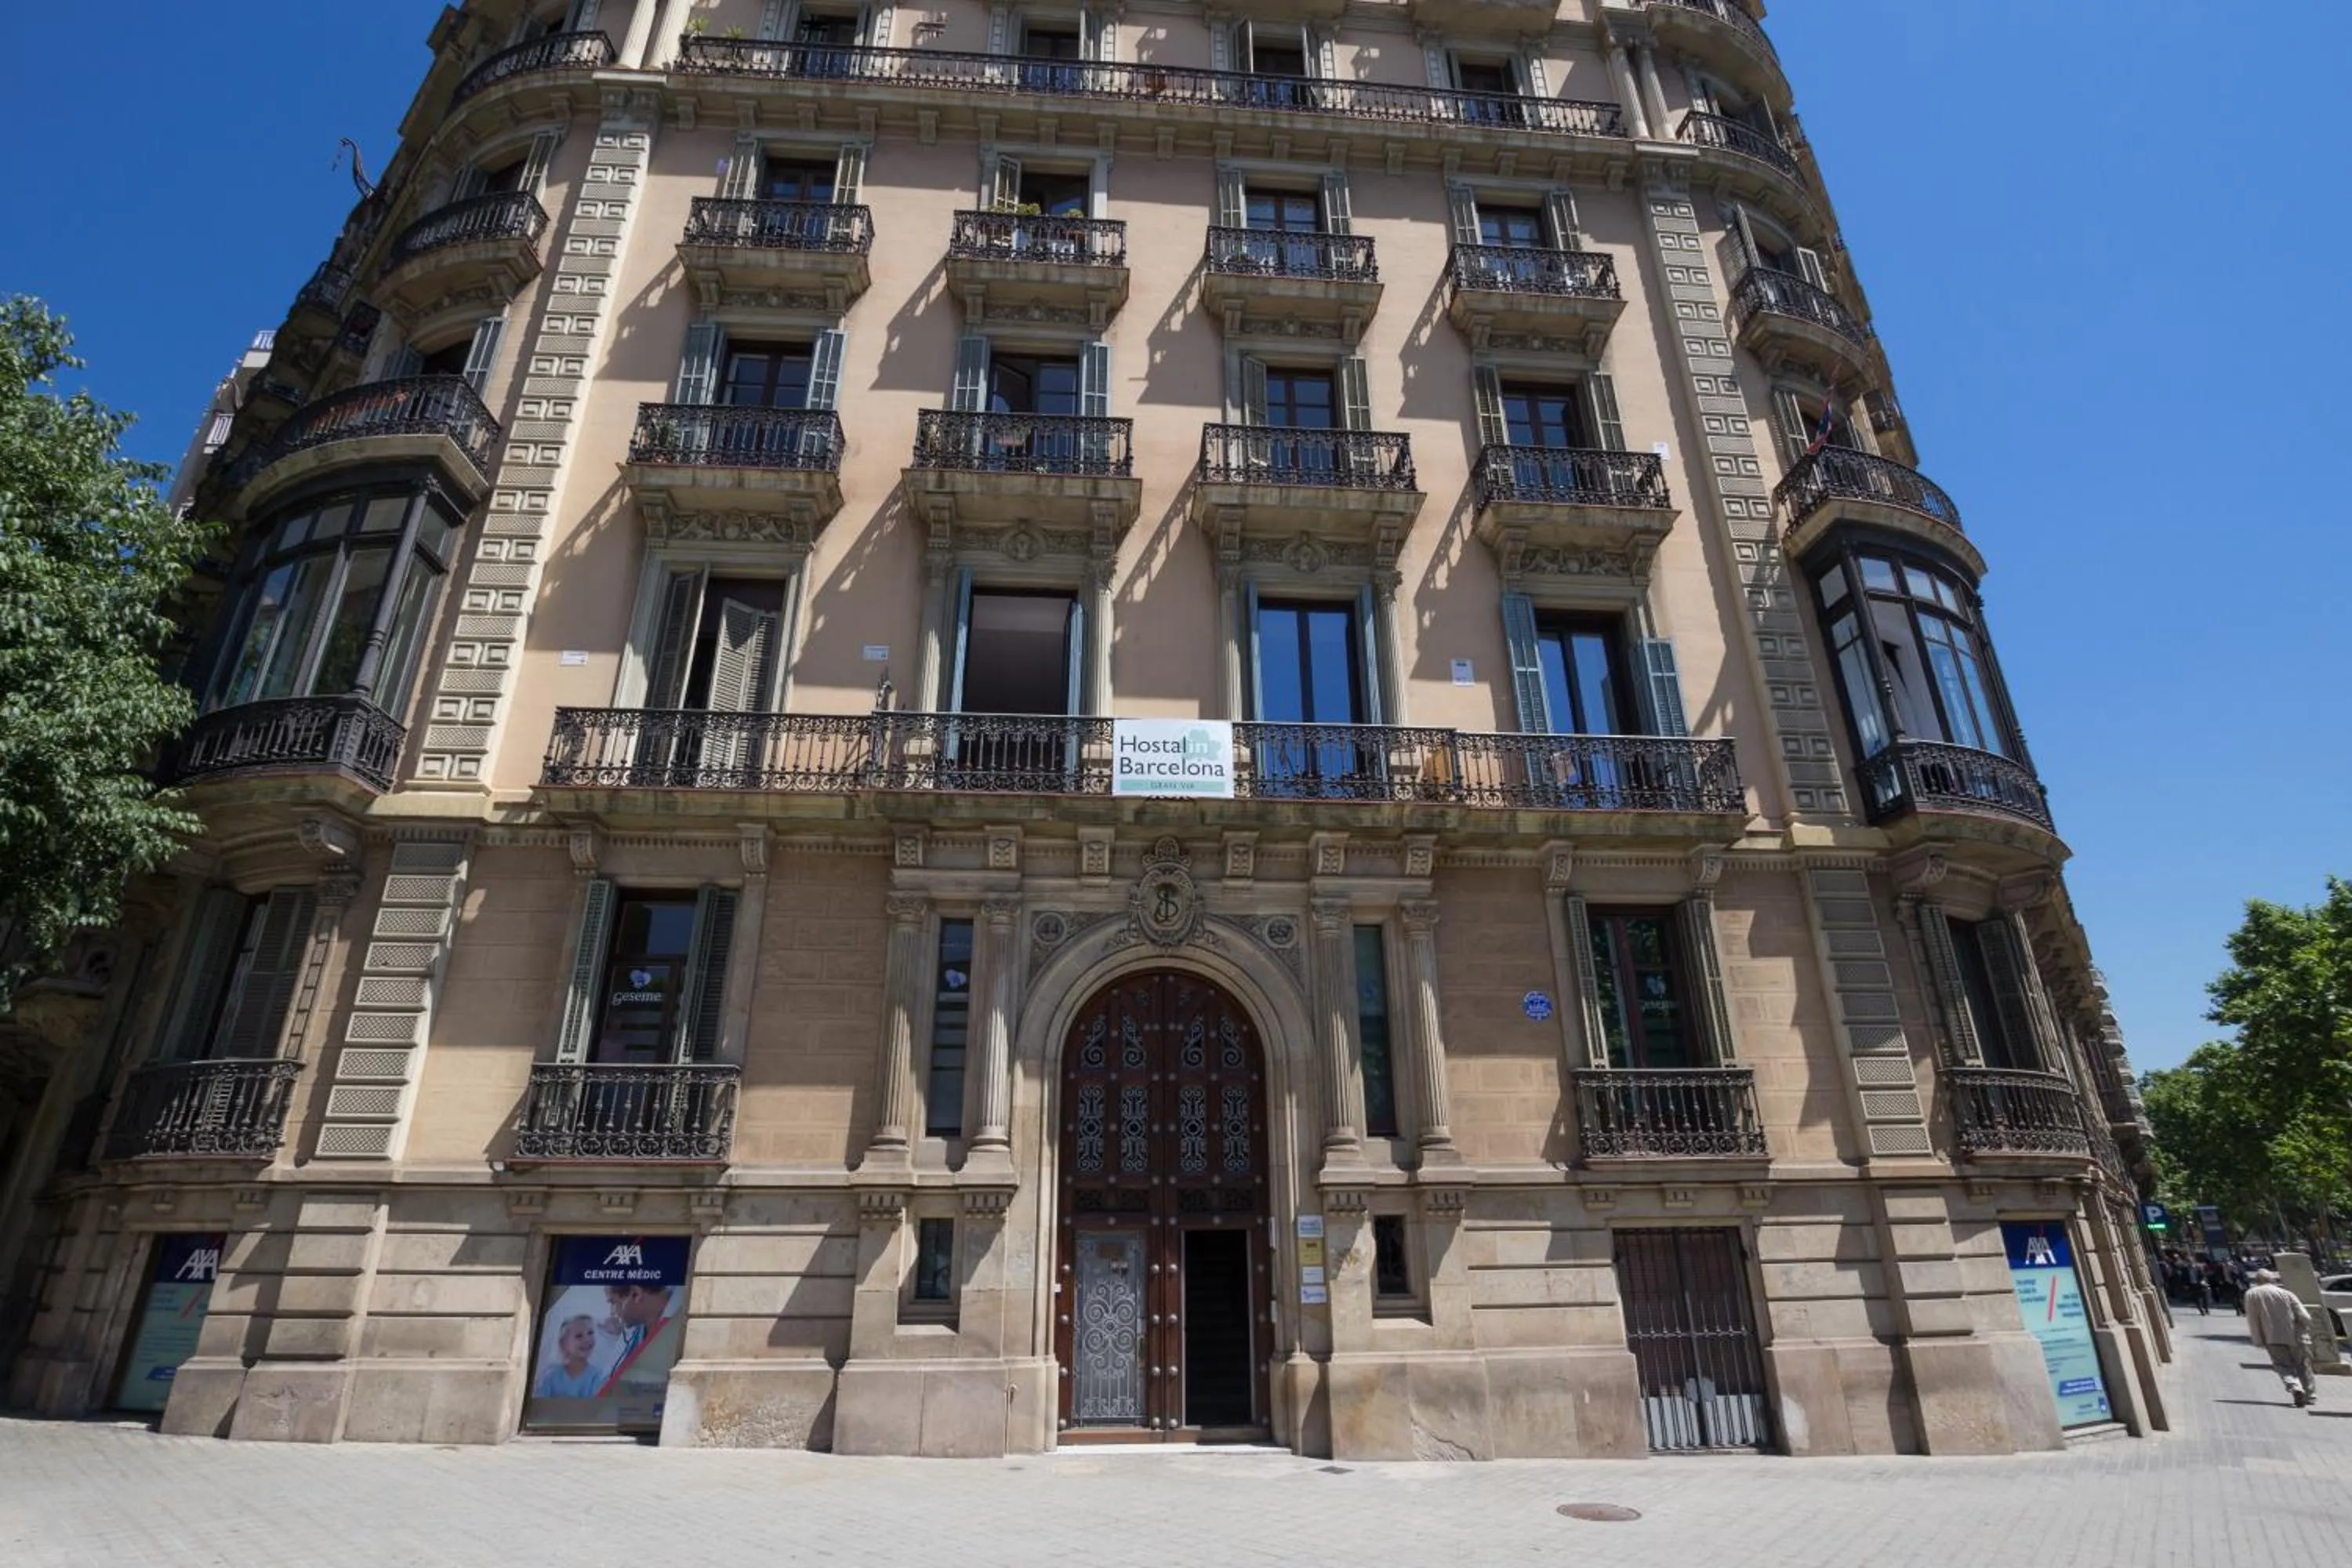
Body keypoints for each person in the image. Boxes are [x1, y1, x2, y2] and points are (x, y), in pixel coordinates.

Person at [2244, 1268, 2320, 1409]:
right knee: (2304, 1365)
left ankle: (2294, 1386)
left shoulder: (2251, 1294)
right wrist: (2308, 1327)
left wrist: (2258, 1340)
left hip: (2272, 1337)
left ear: (2257, 1281)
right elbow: (2304, 1316)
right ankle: (2311, 1395)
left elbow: (2253, 1319)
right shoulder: (2287, 1294)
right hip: (2296, 1336)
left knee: (2282, 1365)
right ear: (2272, 1279)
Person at [533, 1313, 603, 1399]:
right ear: (563, 1344)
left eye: (590, 1333)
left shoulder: (597, 1377)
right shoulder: (550, 1376)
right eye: (579, 1336)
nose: (587, 1339)